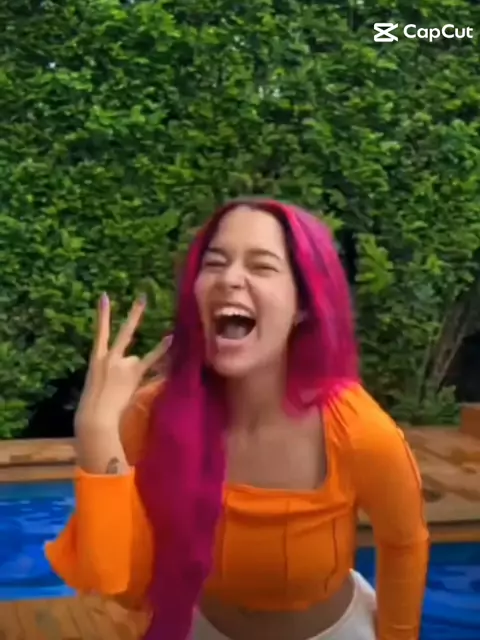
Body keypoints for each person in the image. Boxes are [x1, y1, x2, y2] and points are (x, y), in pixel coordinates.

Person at [45, 199, 429, 640]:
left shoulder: (359, 431)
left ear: (303, 305)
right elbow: (119, 587)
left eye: (262, 266)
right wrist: (97, 433)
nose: (229, 279)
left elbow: (404, 543)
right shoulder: (155, 415)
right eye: (215, 263)